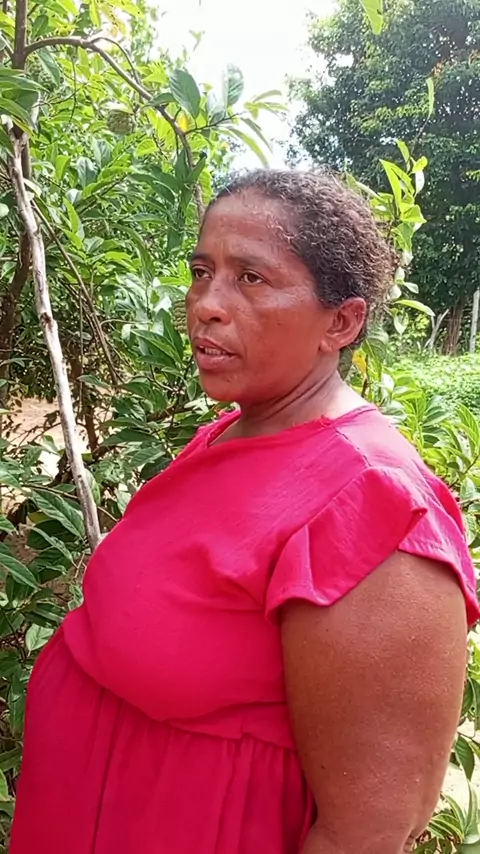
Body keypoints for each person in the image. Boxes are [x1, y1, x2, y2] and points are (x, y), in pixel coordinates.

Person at [11, 169, 479, 854]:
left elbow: (370, 830)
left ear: (342, 322)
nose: (206, 304)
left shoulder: (374, 508)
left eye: (251, 279)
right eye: (202, 272)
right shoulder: (234, 431)